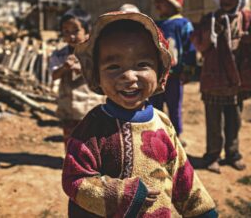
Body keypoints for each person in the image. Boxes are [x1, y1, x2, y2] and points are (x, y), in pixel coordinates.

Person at [62, 11, 218, 217]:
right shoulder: (92, 127)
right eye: (113, 66)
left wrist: (202, 211)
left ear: (160, 71)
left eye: (142, 64)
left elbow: (182, 175)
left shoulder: (162, 123)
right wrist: (122, 194)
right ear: (96, 74)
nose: (128, 76)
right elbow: (75, 179)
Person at [190, 0, 251, 173]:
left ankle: (233, 154)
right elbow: (200, 45)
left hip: (237, 80)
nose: (227, 0)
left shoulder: (246, 19)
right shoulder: (209, 19)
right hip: (214, 79)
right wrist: (211, 33)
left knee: (235, 120)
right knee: (214, 121)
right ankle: (213, 156)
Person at [49, 8, 105, 149]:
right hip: (69, 109)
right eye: (66, 32)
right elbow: (54, 75)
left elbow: (104, 75)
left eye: (75, 31)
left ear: (87, 31)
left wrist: (84, 69)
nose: (71, 36)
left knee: (92, 145)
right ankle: (72, 168)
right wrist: (64, 68)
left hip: (91, 109)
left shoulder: (96, 53)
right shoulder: (59, 55)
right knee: (71, 144)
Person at [149, 0, 197, 146]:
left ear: (172, 3)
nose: (157, 4)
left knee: (174, 106)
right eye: (155, 1)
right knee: (155, 106)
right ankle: (159, 134)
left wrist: (188, 69)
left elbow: (190, 48)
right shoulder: (156, 24)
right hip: (157, 76)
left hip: (175, 76)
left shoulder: (183, 24)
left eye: (161, 1)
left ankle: (176, 135)